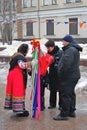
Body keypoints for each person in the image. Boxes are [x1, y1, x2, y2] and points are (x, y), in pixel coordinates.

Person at [53, 35, 82, 121]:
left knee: (65, 94)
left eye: (64, 41)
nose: (62, 42)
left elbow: (66, 64)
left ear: (68, 42)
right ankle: (71, 111)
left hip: (68, 76)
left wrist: (60, 71)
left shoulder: (70, 50)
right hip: (73, 75)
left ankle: (64, 114)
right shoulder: (72, 49)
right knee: (70, 94)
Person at [4, 43, 30, 117]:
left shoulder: (16, 55)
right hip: (16, 76)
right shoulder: (19, 56)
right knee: (18, 92)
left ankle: (18, 109)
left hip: (13, 75)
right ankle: (19, 110)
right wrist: (31, 64)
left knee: (14, 91)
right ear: (25, 51)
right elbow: (21, 65)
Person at [45, 39, 62, 109]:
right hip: (52, 73)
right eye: (47, 48)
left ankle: (61, 105)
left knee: (60, 90)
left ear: (53, 47)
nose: (48, 49)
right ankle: (52, 104)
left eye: (49, 47)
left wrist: (56, 63)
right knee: (52, 89)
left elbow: (62, 62)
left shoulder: (60, 52)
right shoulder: (48, 53)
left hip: (59, 74)